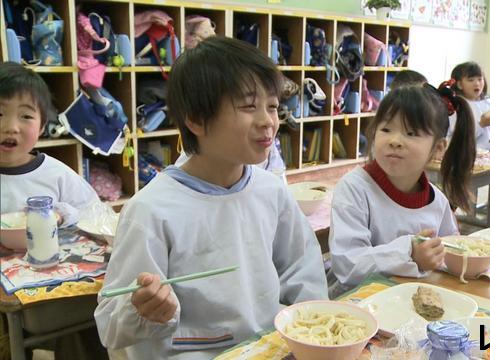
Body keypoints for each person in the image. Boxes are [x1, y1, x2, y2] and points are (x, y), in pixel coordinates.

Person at [94, 37, 328, 358]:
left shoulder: (270, 190)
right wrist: (144, 310)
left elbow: (303, 269)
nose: (268, 121)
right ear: (196, 119)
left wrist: (311, 329)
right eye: (248, 106)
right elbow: (111, 325)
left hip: (271, 348)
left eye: (272, 106)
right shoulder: (151, 210)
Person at [328, 81, 476, 296]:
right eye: (386, 129)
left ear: (437, 148)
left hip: (412, 303)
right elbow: (347, 266)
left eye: (411, 133)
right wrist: (409, 253)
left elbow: (450, 252)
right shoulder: (355, 189)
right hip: (356, 306)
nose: (395, 141)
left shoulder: (437, 201)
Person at [0, 62, 100, 226]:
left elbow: (95, 215)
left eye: (26, 116)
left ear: (42, 127)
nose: (11, 128)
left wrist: (64, 215)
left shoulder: (57, 175)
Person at [449, 61, 490, 152]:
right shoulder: (457, 106)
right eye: (471, 80)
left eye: (480, 79)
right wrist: (481, 125)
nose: (477, 84)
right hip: (468, 154)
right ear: (459, 84)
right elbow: (458, 138)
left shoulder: (488, 103)